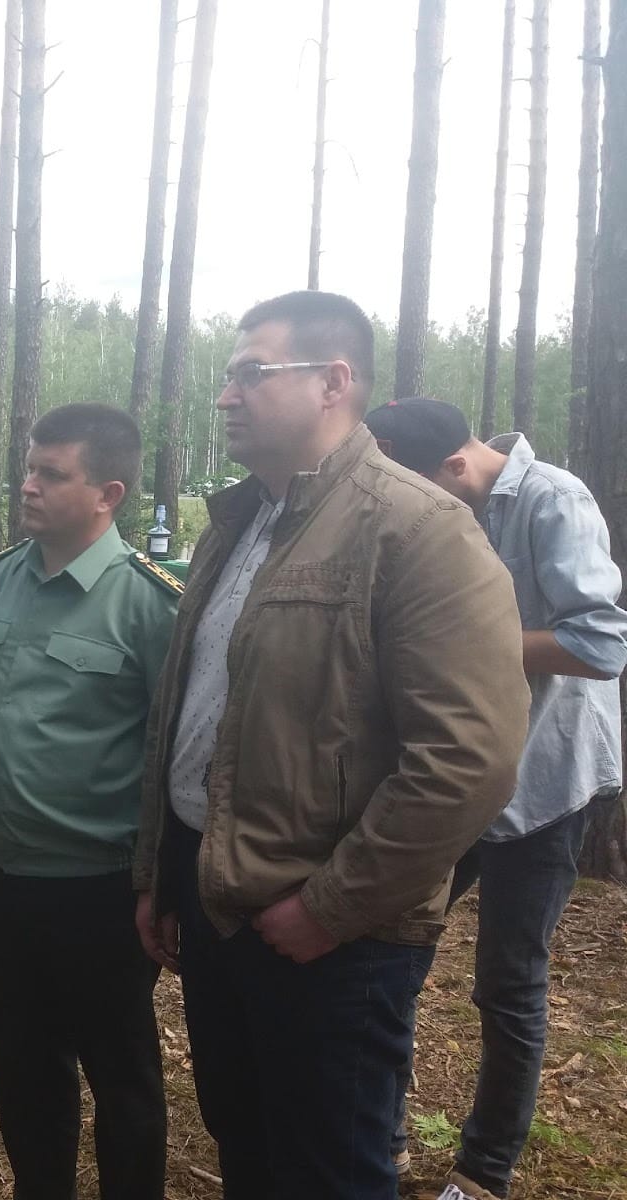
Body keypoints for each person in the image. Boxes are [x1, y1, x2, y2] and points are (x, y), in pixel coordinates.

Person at [131, 290, 532, 1199]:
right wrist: (162, 869)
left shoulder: (418, 529)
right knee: (246, 1144)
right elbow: (193, 713)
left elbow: (468, 758)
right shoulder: (238, 524)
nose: (226, 395)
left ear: (333, 382)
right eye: (226, 377)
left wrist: (329, 908)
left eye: (251, 373)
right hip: (217, 898)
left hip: (332, 936)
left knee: (328, 1171)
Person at [363, 396, 627, 1200]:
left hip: (543, 780)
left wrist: (460, 643)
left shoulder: (554, 501)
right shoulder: (434, 506)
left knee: (508, 983)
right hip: (449, 776)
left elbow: (599, 643)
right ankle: (379, 1135)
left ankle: (484, 1169)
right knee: (386, 951)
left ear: (453, 465)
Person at [0, 403, 178, 1200]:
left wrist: (162, 881)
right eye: (29, 467)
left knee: (120, 1073)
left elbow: (176, 754)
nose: (28, 485)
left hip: (100, 884)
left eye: (51, 475)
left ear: (107, 494)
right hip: (5, 869)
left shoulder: (150, 603)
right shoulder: (4, 579)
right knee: (22, 1061)